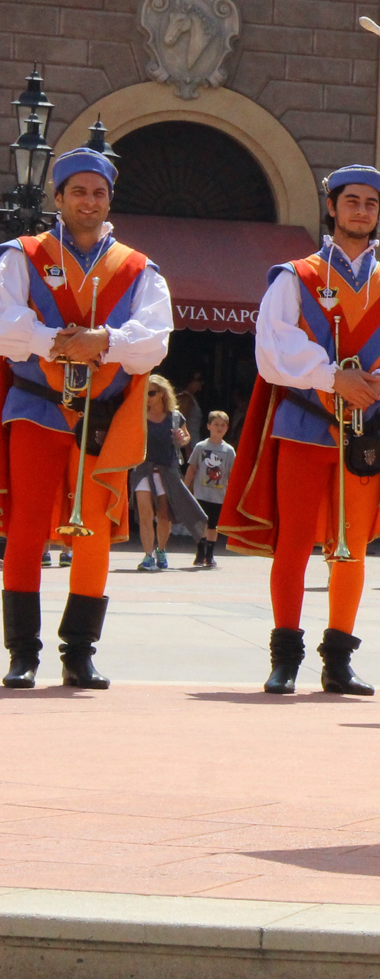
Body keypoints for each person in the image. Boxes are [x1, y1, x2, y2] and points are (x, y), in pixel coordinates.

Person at [219, 165, 380, 696]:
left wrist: (378, 384)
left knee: (351, 546)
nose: (361, 211)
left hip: (365, 434)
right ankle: (285, 658)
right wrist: (334, 377)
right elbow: (272, 350)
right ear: (331, 207)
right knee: (293, 542)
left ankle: (339, 660)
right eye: (351, 201)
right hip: (303, 425)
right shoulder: (294, 277)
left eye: (370, 204)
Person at [0, 147, 172, 689]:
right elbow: (4, 323)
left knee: (93, 530)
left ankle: (79, 651)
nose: (88, 201)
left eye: (98, 193)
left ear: (109, 201)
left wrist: (104, 341)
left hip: (103, 417)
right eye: (78, 191)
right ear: (58, 198)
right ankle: (22, 652)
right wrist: (58, 342)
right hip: (36, 406)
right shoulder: (22, 255)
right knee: (28, 525)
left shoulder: (139, 268)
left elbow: (155, 341)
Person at [130, 375, 200, 569]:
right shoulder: (138, 415)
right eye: (145, 393)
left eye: (151, 393)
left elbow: (186, 438)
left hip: (166, 469)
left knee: (163, 515)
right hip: (142, 469)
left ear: (162, 394)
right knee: (145, 513)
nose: (147, 397)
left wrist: (181, 438)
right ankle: (148, 555)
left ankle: (161, 549)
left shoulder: (175, 417)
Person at [184, 410, 235, 568]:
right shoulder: (201, 447)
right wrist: (186, 487)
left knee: (213, 525)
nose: (219, 428)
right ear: (208, 426)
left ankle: (210, 555)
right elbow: (192, 468)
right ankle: (200, 553)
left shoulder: (229, 450)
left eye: (223, 425)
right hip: (201, 493)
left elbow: (232, 473)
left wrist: (233, 493)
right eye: (216, 424)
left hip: (219, 495)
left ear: (227, 428)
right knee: (201, 524)